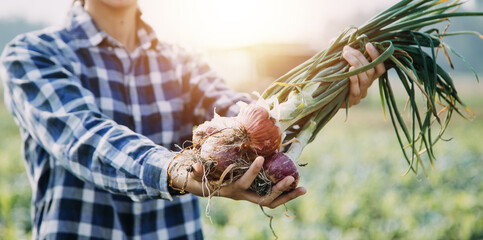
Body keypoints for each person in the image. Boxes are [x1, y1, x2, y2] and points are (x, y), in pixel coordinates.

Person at [0, 0, 385, 239]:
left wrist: (326, 93)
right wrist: (174, 168)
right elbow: (84, 136)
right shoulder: (32, 55)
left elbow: (240, 117)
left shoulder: (183, 61)